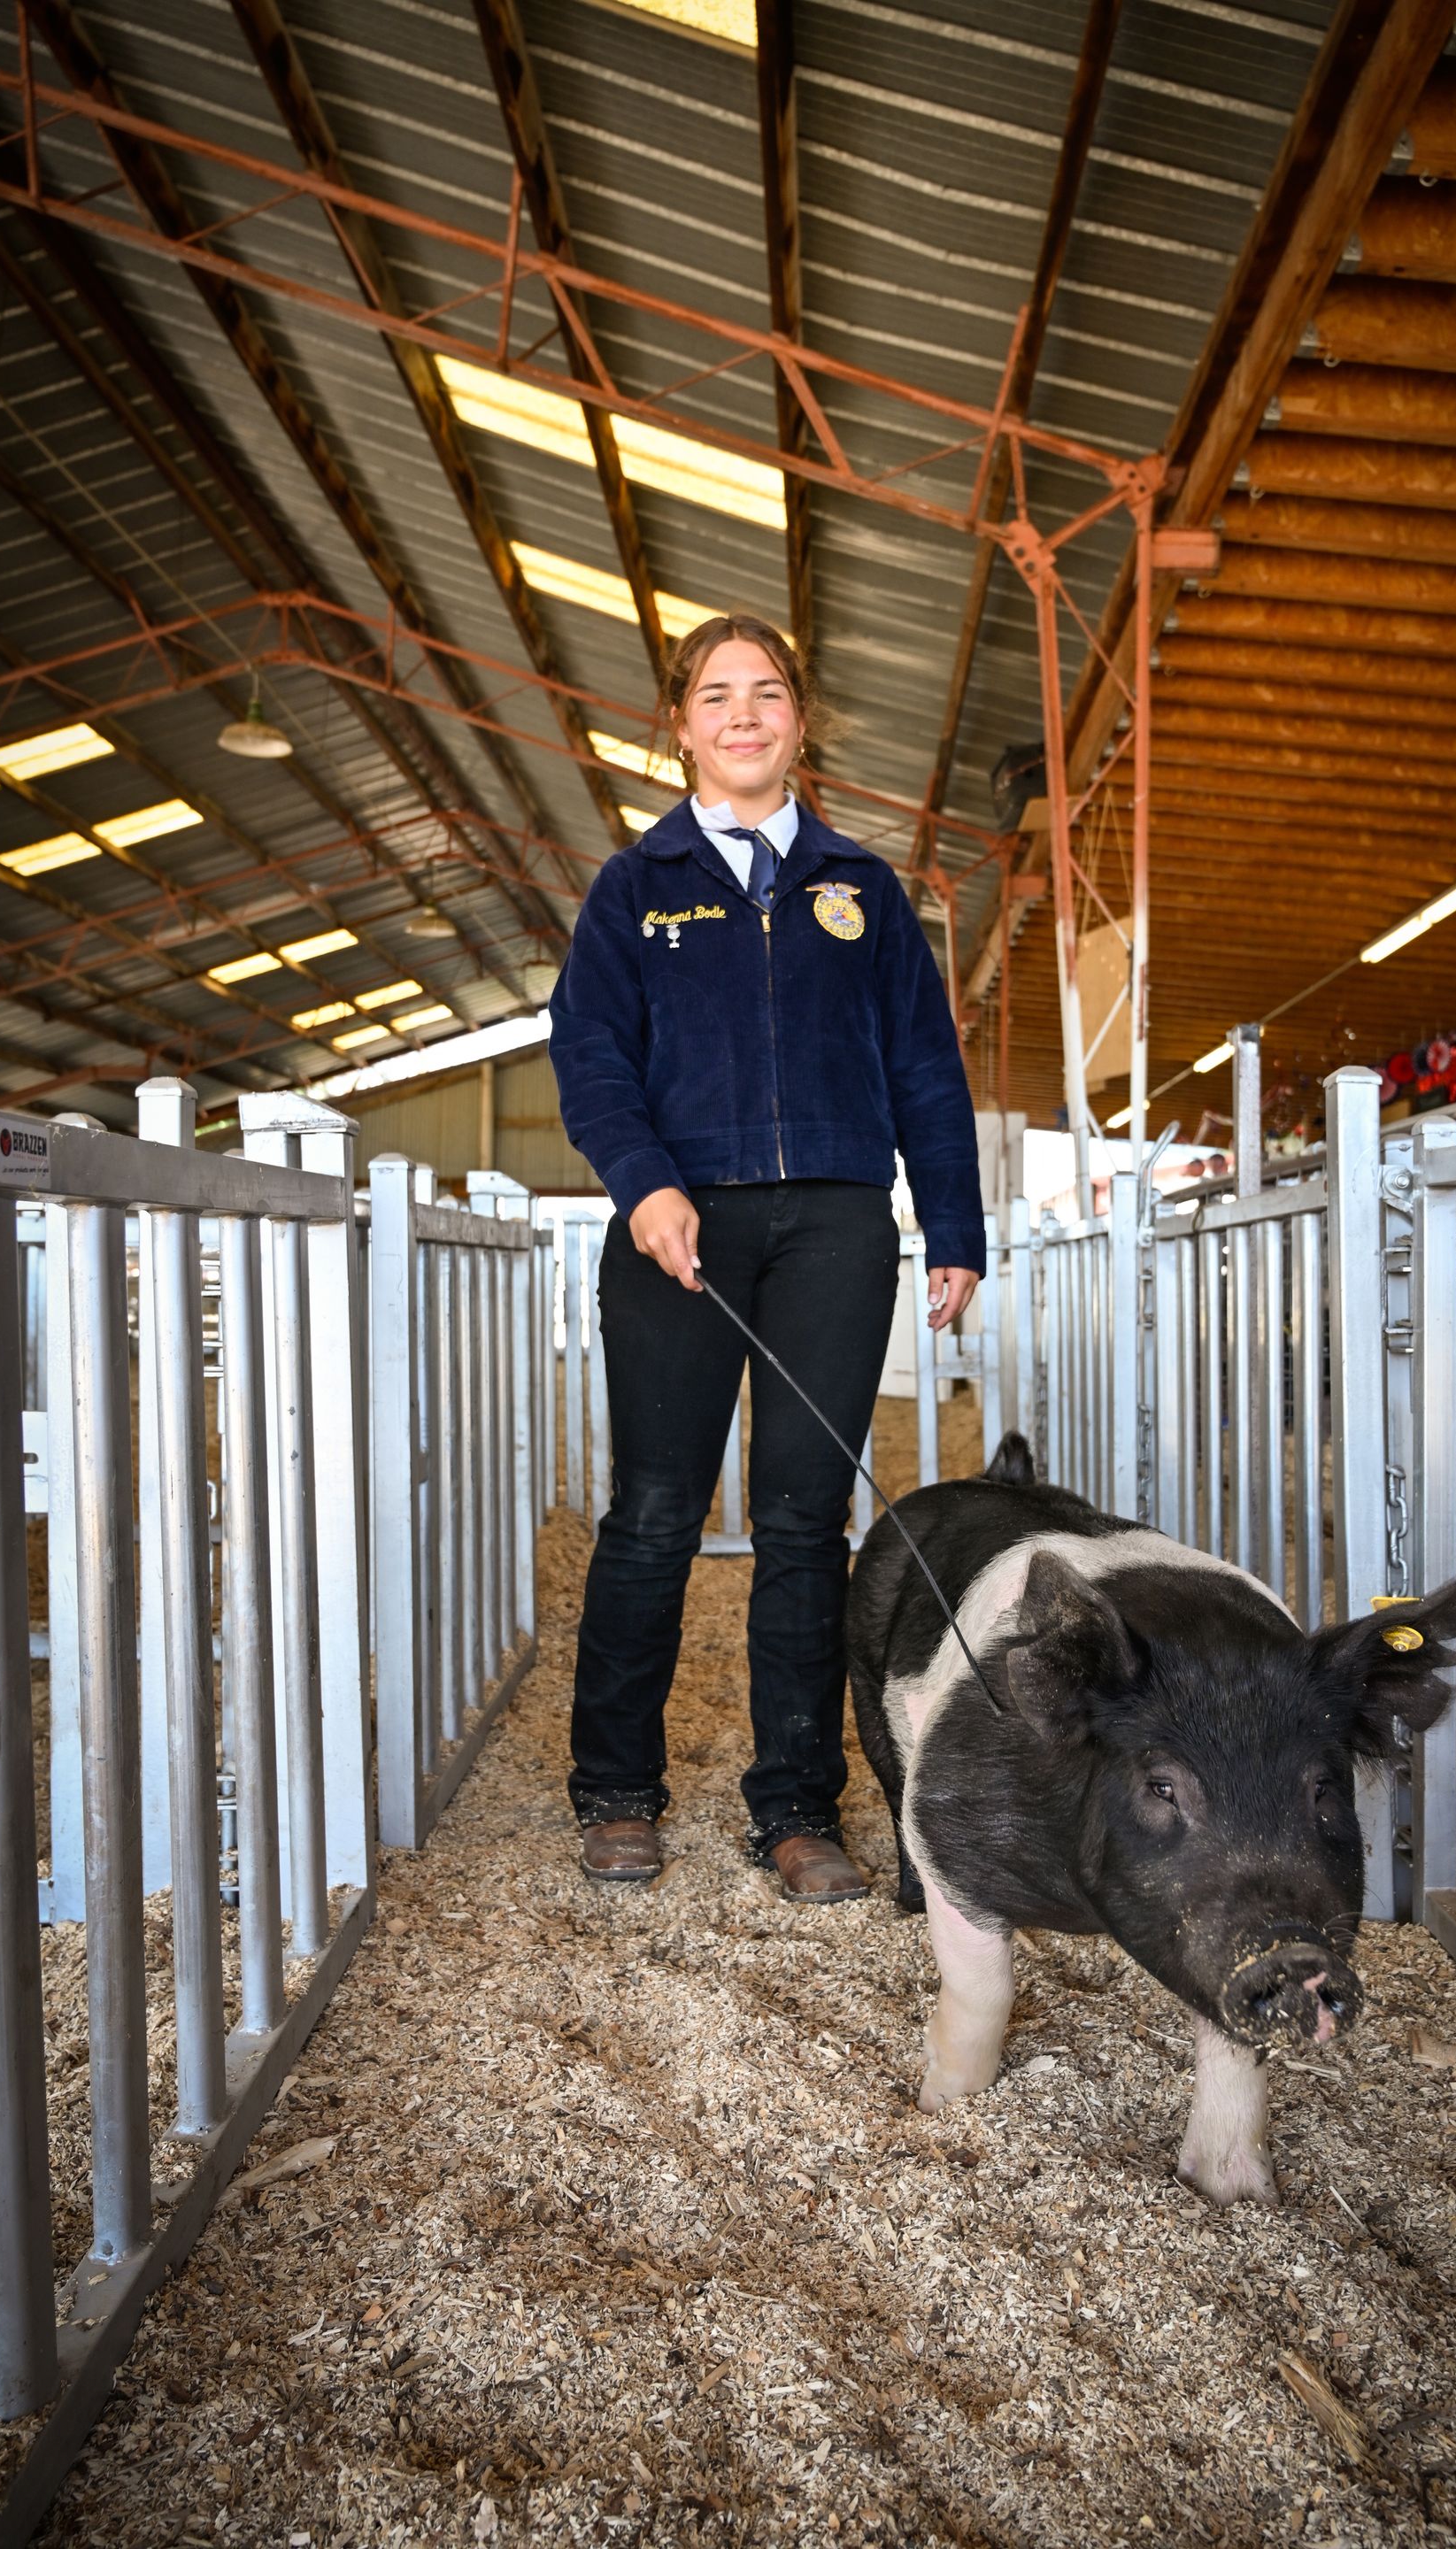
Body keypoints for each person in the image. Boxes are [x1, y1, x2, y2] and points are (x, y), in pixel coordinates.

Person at [548, 612, 984, 1900]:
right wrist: (646, 1187)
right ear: (679, 727)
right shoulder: (637, 886)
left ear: (801, 720)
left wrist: (950, 1223)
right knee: (654, 1518)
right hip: (680, 1228)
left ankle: (798, 1808)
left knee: (807, 1522)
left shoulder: (862, 887)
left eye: (769, 693)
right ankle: (617, 1791)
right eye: (717, 696)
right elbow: (592, 1060)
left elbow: (925, 1067)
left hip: (838, 1228)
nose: (744, 714)